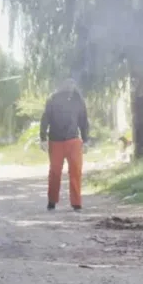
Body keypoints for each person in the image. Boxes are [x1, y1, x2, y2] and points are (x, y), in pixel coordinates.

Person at [39, 78, 89, 211]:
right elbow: (45, 118)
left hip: (73, 140)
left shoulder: (78, 100)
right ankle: (52, 201)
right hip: (56, 141)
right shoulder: (53, 99)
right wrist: (43, 138)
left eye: (73, 83)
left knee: (76, 171)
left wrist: (86, 140)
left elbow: (83, 121)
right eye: (68, 82)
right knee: (55, 172)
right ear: (62, 84)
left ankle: (76, 203)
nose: (70, 85)